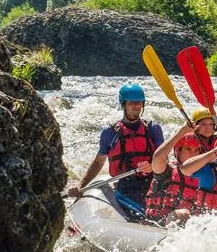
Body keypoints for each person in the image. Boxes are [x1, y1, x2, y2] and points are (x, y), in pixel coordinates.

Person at [69, 83, 163, 218]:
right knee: (142, 216)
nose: (136, 106)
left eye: (139, 103)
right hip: (125, 185)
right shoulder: (110, 133)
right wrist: (81, 186)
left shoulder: (153, 129)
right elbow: (98, 162)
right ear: (123, 104)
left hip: (152, 182)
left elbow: (163, 157)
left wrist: (152, 166)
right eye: (132, 103)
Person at [144, 125, 201, 225]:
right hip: (156, 224)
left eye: (197, 151)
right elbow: (157, 157)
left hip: (187, 228)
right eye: (188, 149)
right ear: (177, 152)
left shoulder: (203, 176)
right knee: (181, 214)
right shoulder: (167, 171)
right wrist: (181, 133)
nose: (193, 155)